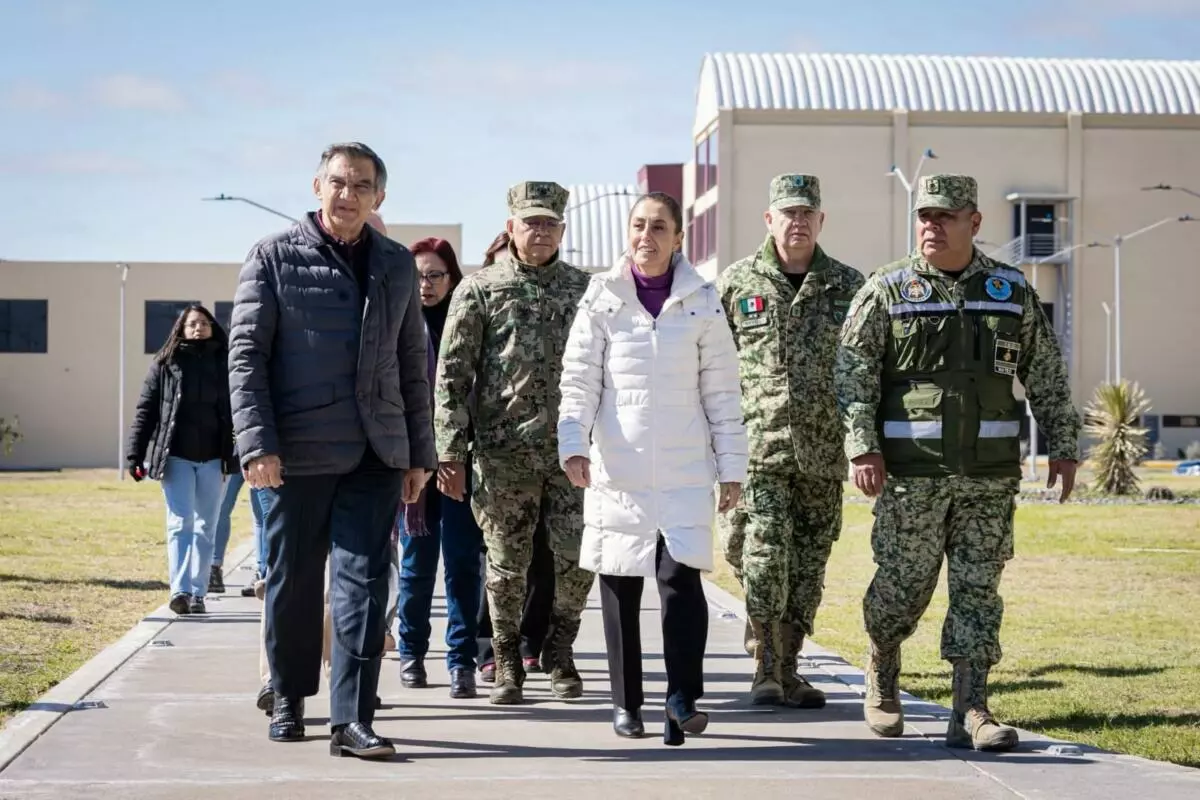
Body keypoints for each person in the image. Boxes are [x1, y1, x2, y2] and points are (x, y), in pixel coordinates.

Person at [835, 173, 1080, 751]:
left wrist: (1064, 444)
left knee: (978, 592)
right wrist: (861, 446)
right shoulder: (886, 290)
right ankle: (883, 663)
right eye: (925, 216)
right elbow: (852, 374)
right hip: (911, 475)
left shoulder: (1009, 290)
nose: (932, 226)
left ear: (974, 222)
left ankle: (971, 710)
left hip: (988, 477)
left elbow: (1045, 371)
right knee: (902, 588)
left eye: (945, 216)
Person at [229, 142, 435, 759]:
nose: (348, 195)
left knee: (364, 585)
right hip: (296, 454)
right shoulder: (271, 257)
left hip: (376, 452)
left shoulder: (396, 264)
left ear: (379, 196)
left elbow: (411, 362)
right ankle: (289, 696)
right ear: (317, 186)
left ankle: (351, 719)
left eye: (361, 185)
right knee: (293, 581)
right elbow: (246, 357)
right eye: (338, 183)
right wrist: (257, 444)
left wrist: (418, 453)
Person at [558, 192, 747, 745]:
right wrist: (573, 444)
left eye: (659, 226)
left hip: (685, 468)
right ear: (628, 232)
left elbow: (723, 392)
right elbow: (579, 379)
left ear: (678, 238)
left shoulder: (702, 301)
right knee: (618, 584)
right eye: (639, 225)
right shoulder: (602, 297)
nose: (647, 235)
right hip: (618, 469)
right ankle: (627, 703)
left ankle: (682, 699)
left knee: (680, 581)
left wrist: (731, 467)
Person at [434, 181, 594, 705]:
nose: (540, 231)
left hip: (572, 455)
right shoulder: (479, 289)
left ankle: (561, 652)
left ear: (562, 230)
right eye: (531, 222)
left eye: (550, 223)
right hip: (503, 457)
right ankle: (506, 662)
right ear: (511, 228)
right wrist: (451, 453)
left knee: (576, 561)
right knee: (506, 568)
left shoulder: (587, 290)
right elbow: (452, 377)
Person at [715, 174, 865, 707]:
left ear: (821, 221)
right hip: (758, 450)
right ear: (769, 219)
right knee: (760, 557)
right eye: (788, 213)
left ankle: (789, 666)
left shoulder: (848, 286)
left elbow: (864, 368)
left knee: (807, 565)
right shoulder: (737, 283)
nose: (797, 222)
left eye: (807, 213)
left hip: (823, 453)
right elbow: (711, 368)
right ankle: (766, 668)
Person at [392, 236, 485, 700]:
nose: (425, 285)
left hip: (460, 464)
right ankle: (411, 652)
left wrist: (456, 455)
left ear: (452, 279)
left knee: (463, 565)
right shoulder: (396, 325)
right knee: (416, 566)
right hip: (413, 465)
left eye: (434, 275)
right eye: (416, 277)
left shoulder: (467, 323)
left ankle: (461, 661)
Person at [473, 229, 556, 683]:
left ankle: (531, 642)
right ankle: (489, 645)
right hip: (497, 452)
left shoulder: (562, 293)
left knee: (545, 555)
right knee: (499, 557)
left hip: (555, 452)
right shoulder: (481, 297)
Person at [127, 304, 237, 615]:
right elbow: (146, 411)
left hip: (214, 459)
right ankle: (180, 591)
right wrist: (135, 454)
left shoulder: (226, 363)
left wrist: (238, 454)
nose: (198, 328)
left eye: (204, 323)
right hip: (175, 457)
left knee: (205, 527)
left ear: (212, 327)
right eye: (192, 324)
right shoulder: (165, 364)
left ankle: (198, 593)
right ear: (181, 329)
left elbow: (239, 411)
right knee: (180, 523)